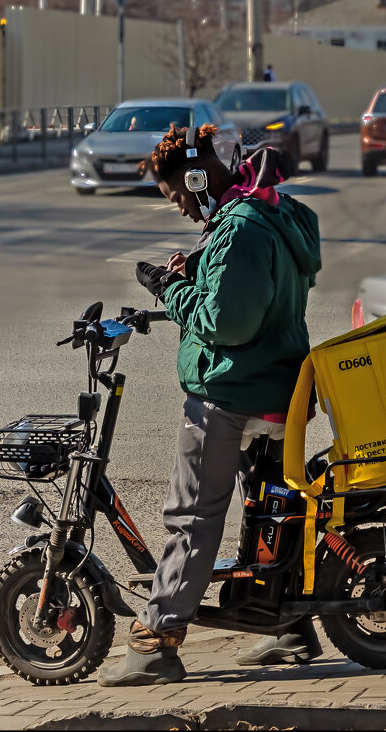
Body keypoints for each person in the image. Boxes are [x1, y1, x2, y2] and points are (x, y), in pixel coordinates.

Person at [97, 124, 322, 687]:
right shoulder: (273, 211)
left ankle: (156, 641)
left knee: (193, 515)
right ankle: (286, 626)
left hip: (230, 392)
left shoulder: (240, 228)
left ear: (197, 179)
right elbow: (256, 288)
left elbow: (228, 322)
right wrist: (195, 271)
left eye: (176, 195)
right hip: (278, 386)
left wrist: (170, 291)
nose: (178, 207)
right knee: (274, 510)